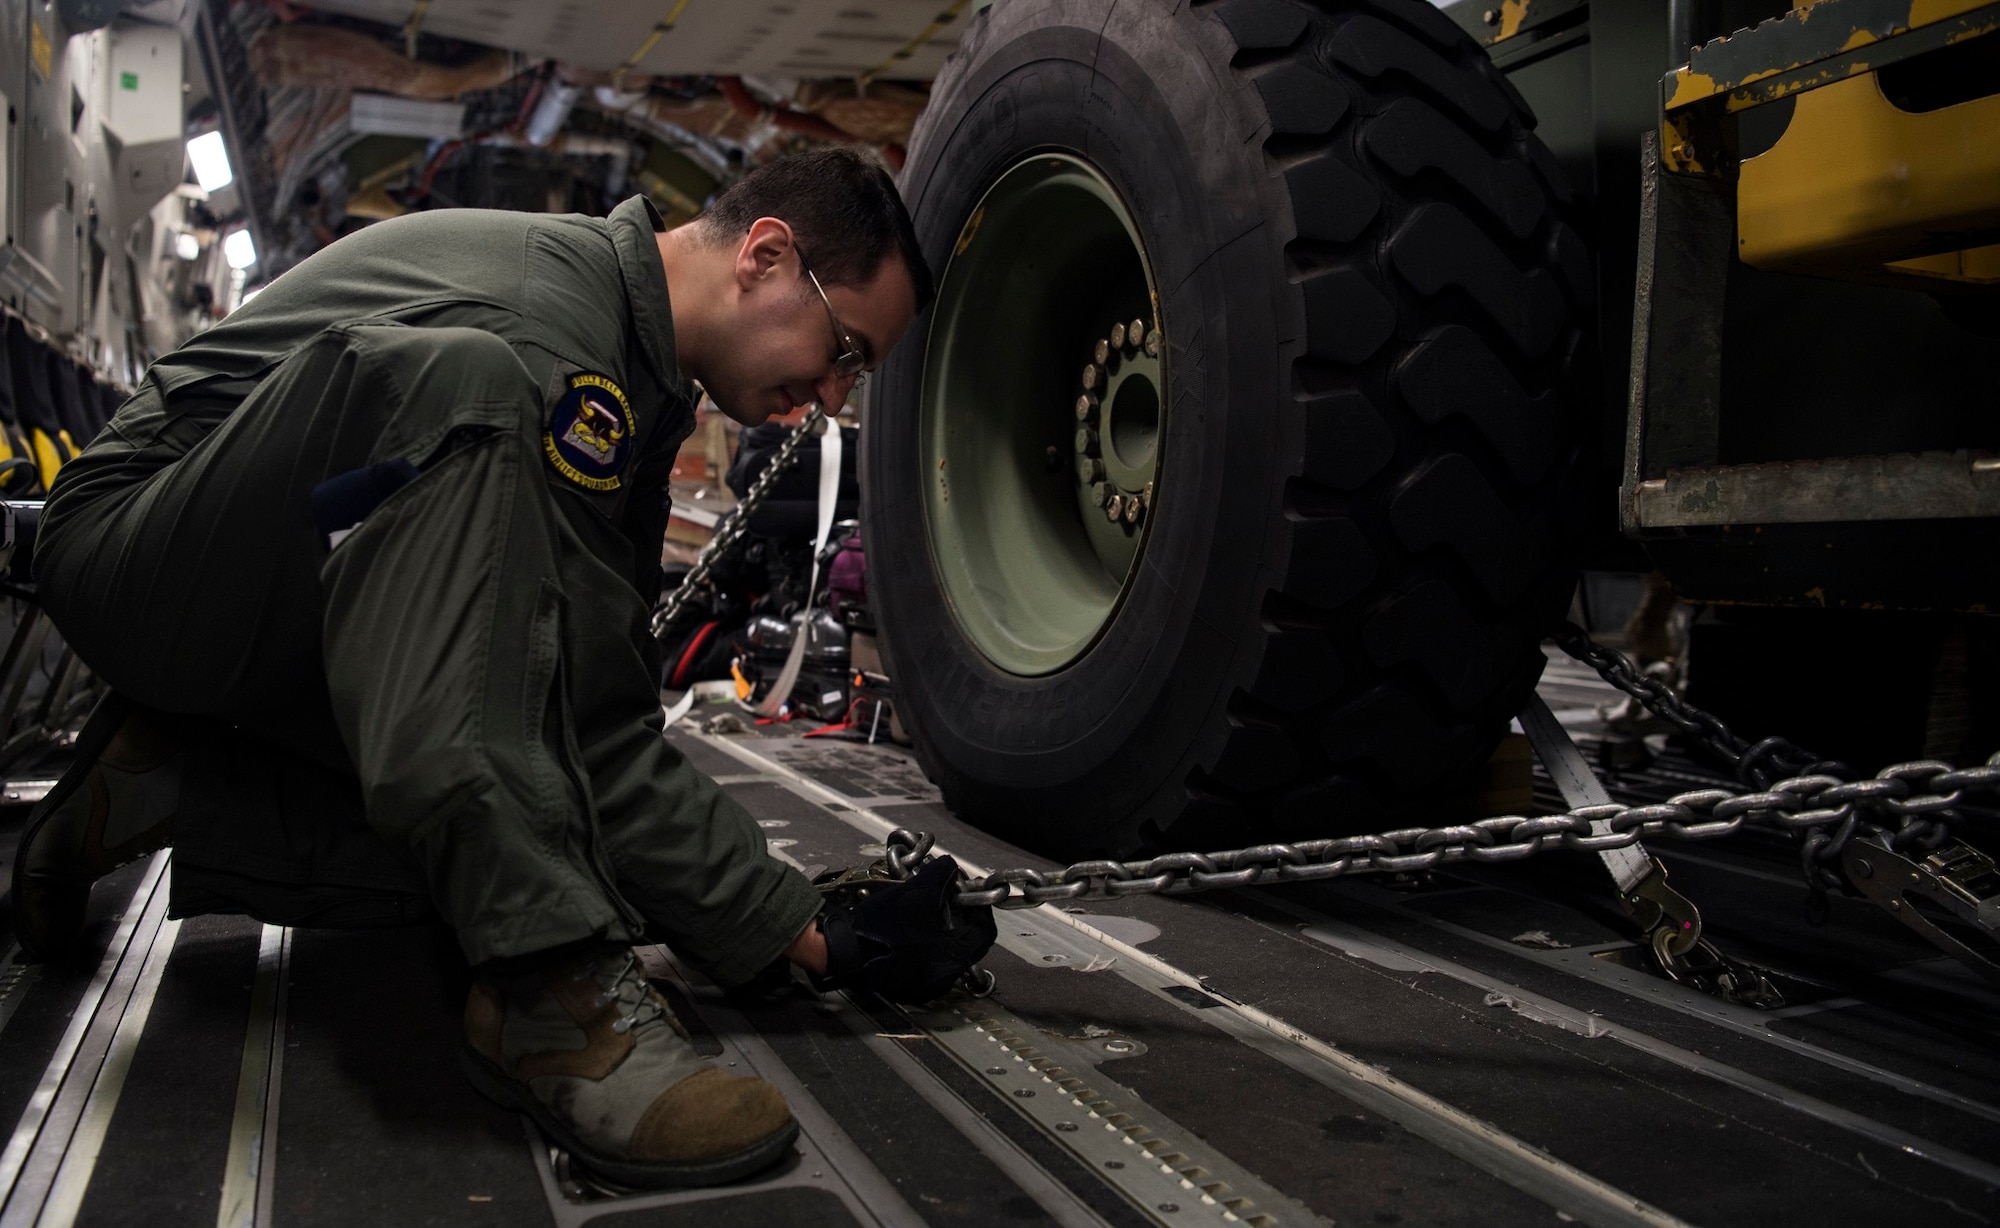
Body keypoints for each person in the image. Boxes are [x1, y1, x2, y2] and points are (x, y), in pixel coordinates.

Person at [10, 148, 994, 1189]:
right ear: (763, 255)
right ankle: (547, 994)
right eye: (843, 349)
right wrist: (755, 924)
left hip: (235, 569)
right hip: (135, 555)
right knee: (470, 407)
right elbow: (560, 723)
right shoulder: (549, 344)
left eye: (861, 374)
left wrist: (796, 924)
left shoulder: (627, 370)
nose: (834, 394)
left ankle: (181, 781)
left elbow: (592, 715)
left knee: (519, 808)